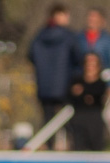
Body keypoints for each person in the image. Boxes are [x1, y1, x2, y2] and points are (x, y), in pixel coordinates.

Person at [27, 4, 80, 148]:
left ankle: (49, 147)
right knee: (68, 116)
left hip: (44, 84)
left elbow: (30, 55)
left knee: (48, 118)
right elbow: (78, 57)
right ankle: (74, 145)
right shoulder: (69, 36)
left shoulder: (39, 35)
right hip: (65, 84)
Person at [68, 52, 108, 151]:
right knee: (78, 148)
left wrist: (83, 91)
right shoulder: (76, 80)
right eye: (88, 63)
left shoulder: (101, 83)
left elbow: (98, 95)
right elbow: (71, 95)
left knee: (96, 148)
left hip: (95, 118)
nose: (90, 67)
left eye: (93, 64)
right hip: (79, 117)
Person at [78, 7, 110, 79]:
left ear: (102, 20)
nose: (92, 20)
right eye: (90, 17)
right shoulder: (78, 38)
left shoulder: (109, 40)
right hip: (82, 80)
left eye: (95, 17)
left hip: (103, 80)